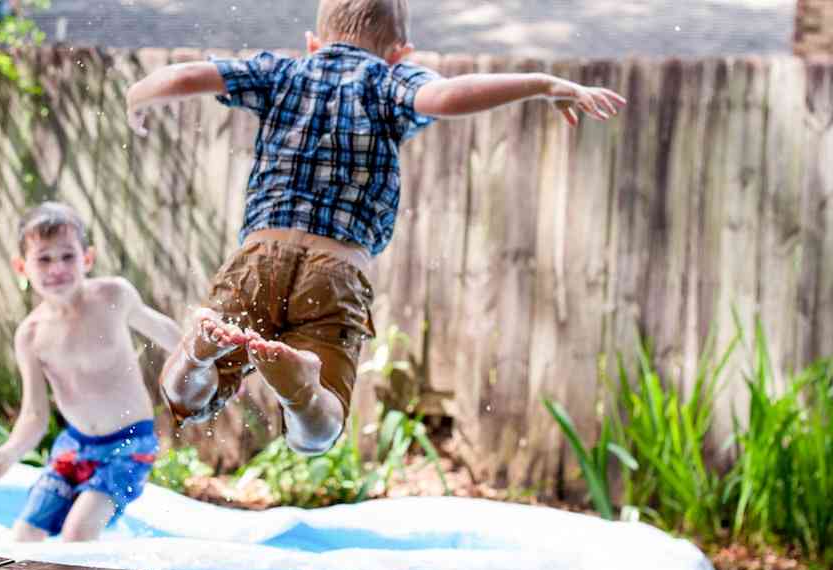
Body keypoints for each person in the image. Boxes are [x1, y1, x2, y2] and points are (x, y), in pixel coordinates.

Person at [124, 0, 626, 457]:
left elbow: (189, 74)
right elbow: (448, 96)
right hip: (337, 269)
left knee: (186, 399)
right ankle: (300, 390)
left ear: (314, 43)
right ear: (400, 53)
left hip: (259, 255)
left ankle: (196, 352)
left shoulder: (281, 72)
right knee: (318, 432)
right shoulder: (391, 81)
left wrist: (138, 96)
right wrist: (542, 84)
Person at [0, 202, 182, 542]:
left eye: (67, 256)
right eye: (44, 259)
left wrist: (212, 366)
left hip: (130, 442)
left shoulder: (113, 296)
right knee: (23, 537)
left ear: (88, 258)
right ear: (21, 266)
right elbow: (35, 415)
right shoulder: (30, 335)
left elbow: (167, 332)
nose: (57, 268)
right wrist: (7, 454)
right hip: (75, 446)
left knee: (77, 534)